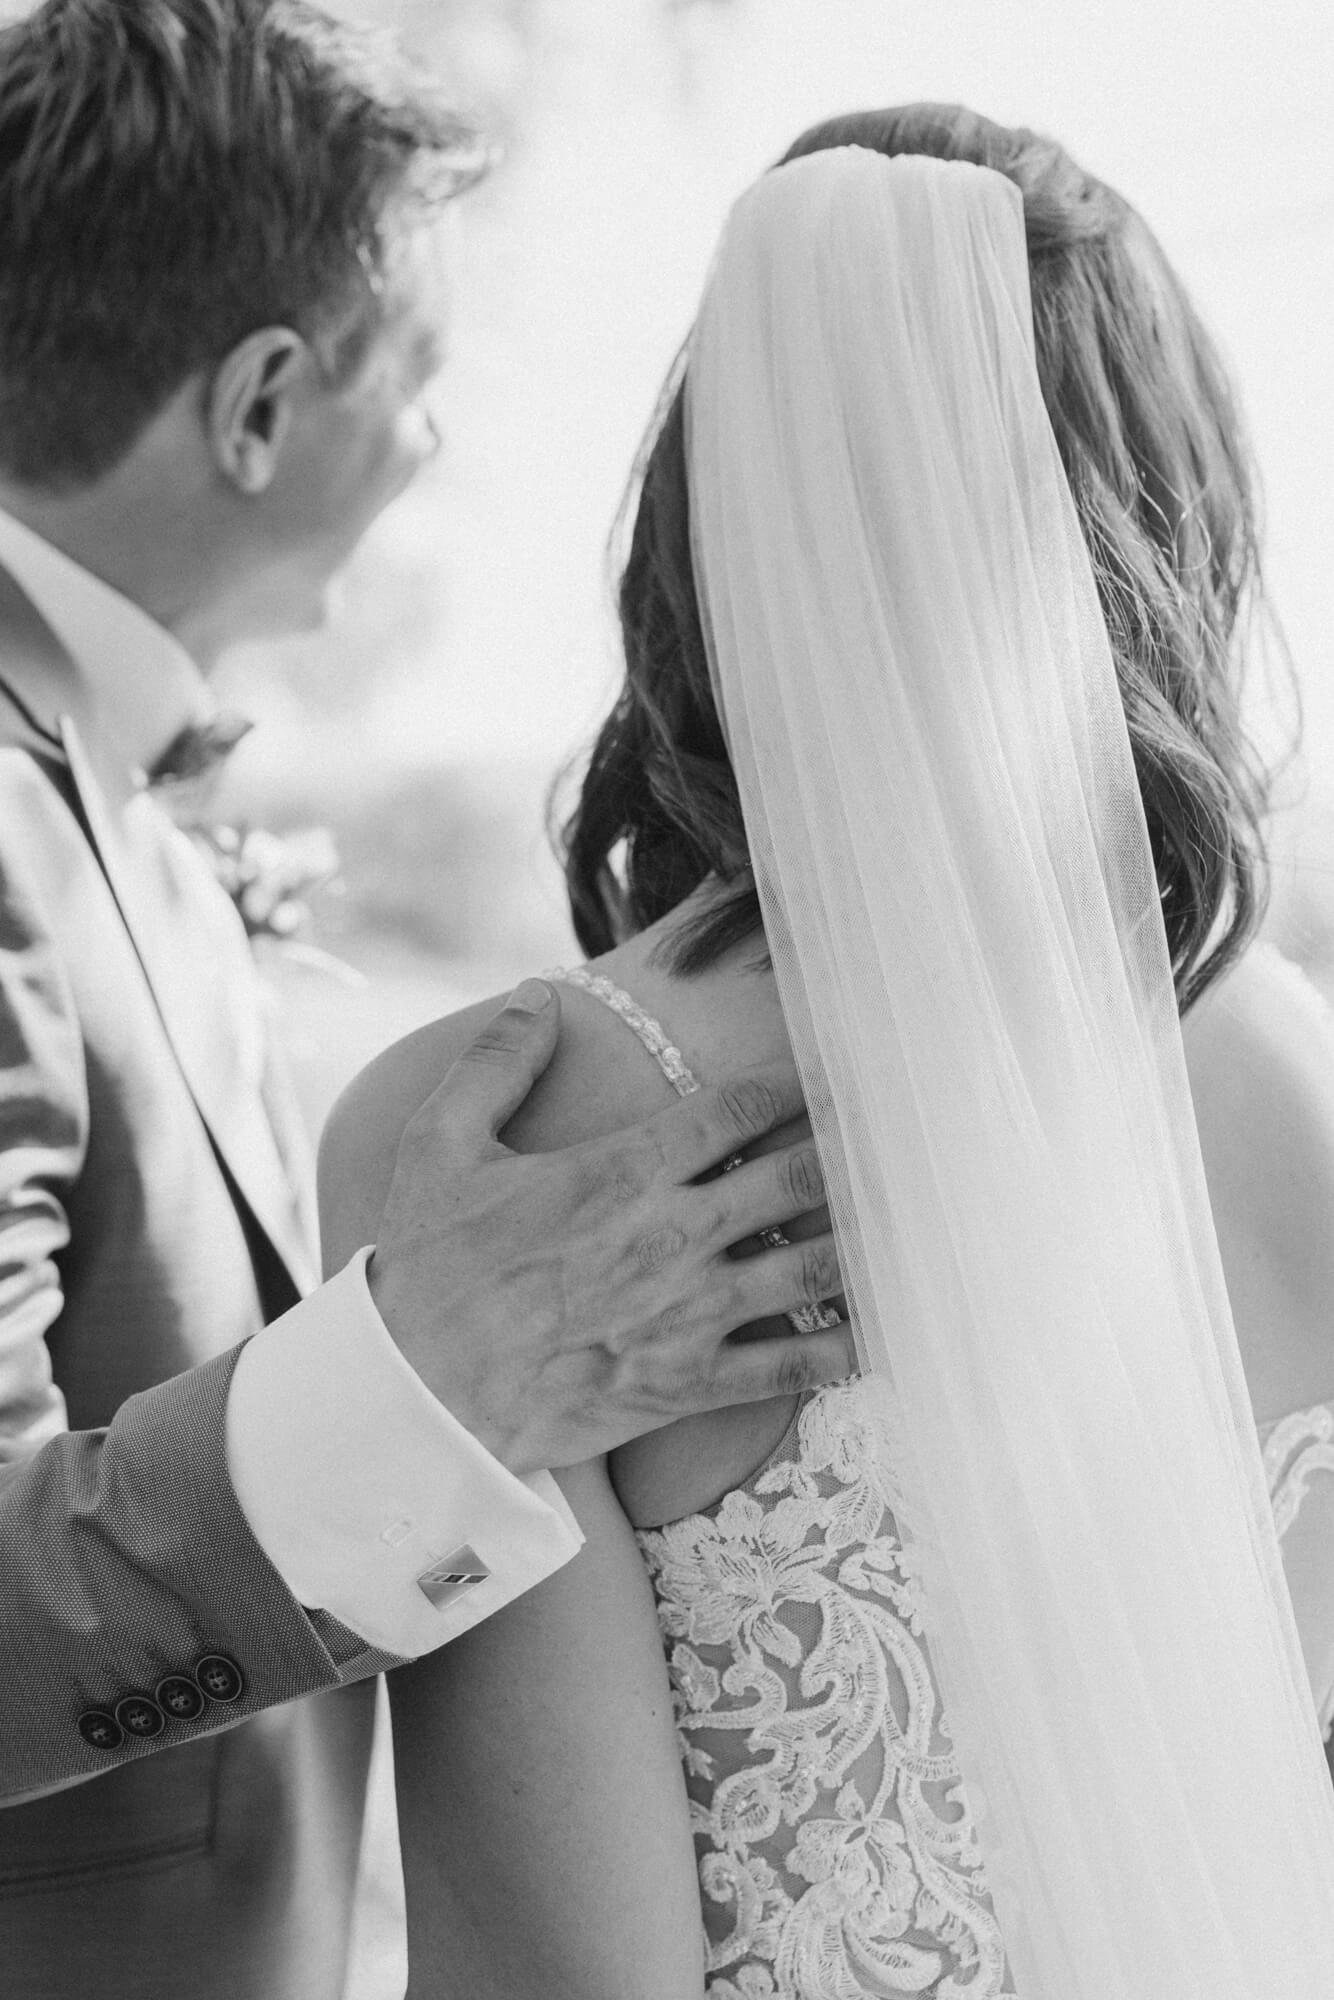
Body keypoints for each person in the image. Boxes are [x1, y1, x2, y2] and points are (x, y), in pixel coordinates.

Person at [320, 109, 1334, 1995]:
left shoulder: (511, 1122)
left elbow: (552, 1977)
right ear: (1171, 509)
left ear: (713, 517)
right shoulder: (1297, 1078)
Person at [0, 6, 855, 1996]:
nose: (437, 454)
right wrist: (430, 1387)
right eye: (427, 386)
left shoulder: (104, 801)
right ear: (262, 404)